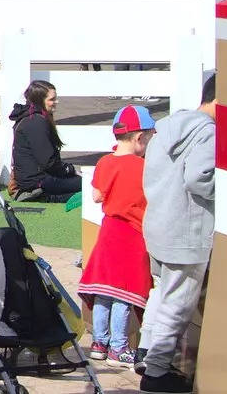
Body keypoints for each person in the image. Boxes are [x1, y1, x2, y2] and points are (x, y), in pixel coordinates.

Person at [137, 71, 216, 393]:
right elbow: (200, 178)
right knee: (178, 302)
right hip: (187, 229)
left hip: (159, 224)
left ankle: (146, 352)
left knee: (162, 293)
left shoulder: (169, 126)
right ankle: (156, 373)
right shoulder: (209, 132)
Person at [77, 104, 157, 367]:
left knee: (104, 290)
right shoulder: (143, 167)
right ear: (139, 137)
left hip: (109, 229)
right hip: (133, 233)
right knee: (125, 292)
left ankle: (99, 344)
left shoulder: (104, 162)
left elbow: (97, 196)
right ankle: (119, 348)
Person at [8, 80, 79, 201]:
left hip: (32, 178)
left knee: (82, 184)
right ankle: (41, 196)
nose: (56, 102)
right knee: (88, 185)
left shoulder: (30, 117)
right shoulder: (36, 121)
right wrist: (70, 170)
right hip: (37, 181)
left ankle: (44, 195)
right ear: (40, 100)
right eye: (52, 99)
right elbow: (48, 162)